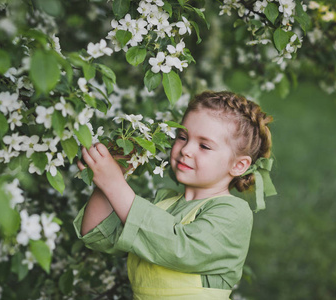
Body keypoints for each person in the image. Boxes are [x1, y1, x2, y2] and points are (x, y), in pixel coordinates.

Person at [73, 91, 277, 299]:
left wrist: (115, 184)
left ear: (238, 165)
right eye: (182, 137)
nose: (186, 149)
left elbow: (180, 248)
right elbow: (98, 236)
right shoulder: (164, 202)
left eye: (204, 145)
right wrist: (106, 183)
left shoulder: (233, 212)